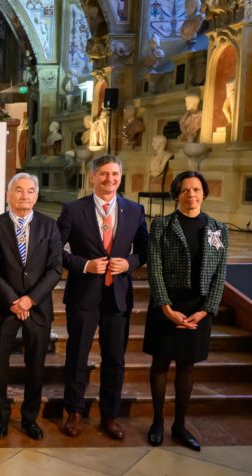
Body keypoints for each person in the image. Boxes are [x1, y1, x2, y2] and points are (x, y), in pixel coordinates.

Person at [58, 155, 148, 440]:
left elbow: (144, 250)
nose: (109, 179)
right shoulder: (73, 210)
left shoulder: (134, 210)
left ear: (120, 177)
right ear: (92, 177)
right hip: (84, 294)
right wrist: (84, 265)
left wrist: (130, 264)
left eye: (114, 174)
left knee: (115, 358)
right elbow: (56, 251)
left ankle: (110, 414)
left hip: (118, 296)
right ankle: (73, 411)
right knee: (77, 355)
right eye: (103, 174)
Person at [144, 171, 228, 451]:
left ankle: (179, 425)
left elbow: (220, 274)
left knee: (187, 366)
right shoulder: (162, 225)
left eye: (196, 189)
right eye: (184, 190)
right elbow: (154, 268)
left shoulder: (218, 228)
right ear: (176, 194)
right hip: (166, 305)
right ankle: (157, 422)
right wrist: (166, 308)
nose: (191, 195)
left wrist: (206, 311)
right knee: (160, 364)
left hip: (198, 308)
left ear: (204, 192)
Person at [0, 173, 62, 441]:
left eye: (30, 191)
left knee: (36, 365)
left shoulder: (49, 226)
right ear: (9, 195)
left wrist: (31, 299)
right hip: (3, 307)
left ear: (36, 195)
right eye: (18, 190)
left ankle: (30, 418)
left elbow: (55, 268)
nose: (24, 196)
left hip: (38, 307)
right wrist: (13, 300)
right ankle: (1, 415)